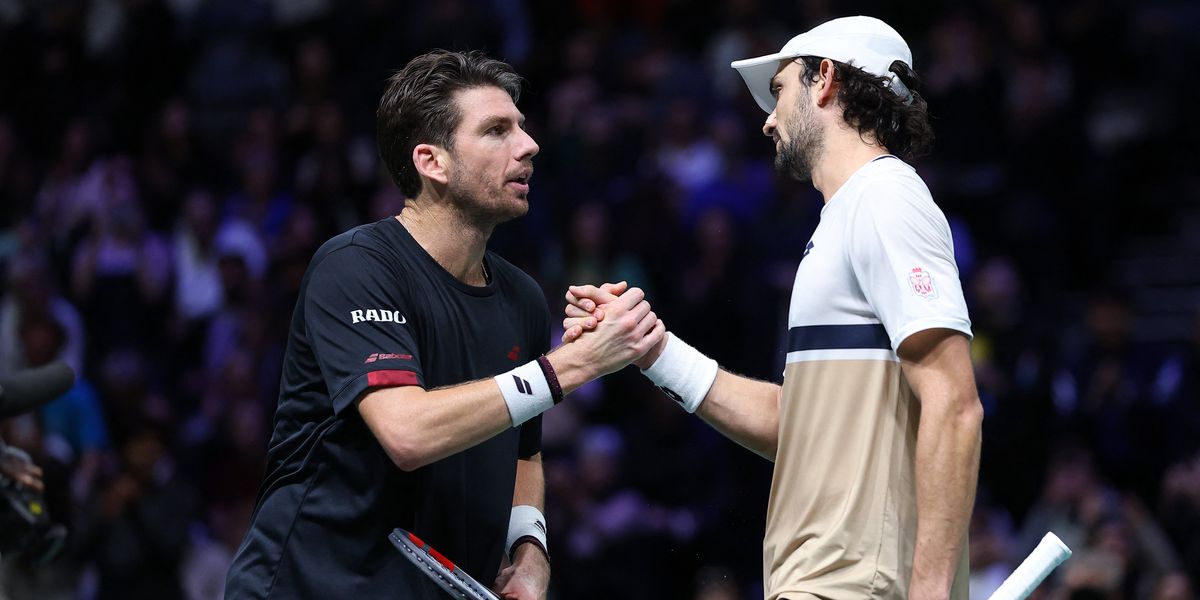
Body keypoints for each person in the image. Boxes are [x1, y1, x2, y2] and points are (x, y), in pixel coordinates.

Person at [564, 16, 983, 599]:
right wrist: (651, 348)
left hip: (859, 584)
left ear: (826, 80)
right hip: (820, 580)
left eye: (780, 91)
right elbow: (800, 425)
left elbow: (954, 404)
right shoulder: (845, 217)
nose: (766, 120)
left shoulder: (887, 199)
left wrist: (933, 591)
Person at [225, 50, 664, 599]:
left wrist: (531, 556)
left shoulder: (524, 298)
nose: (529, 146)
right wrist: (574, 364)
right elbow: (407, 433)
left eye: (521, 128)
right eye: (497, 131)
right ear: (433, 162)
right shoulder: (356, 266)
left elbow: (522, 454)